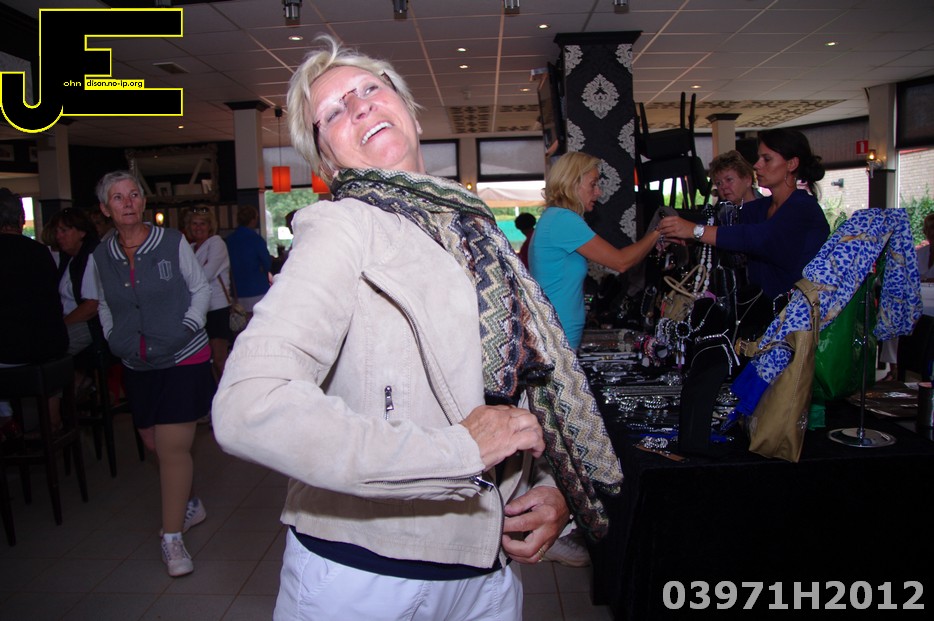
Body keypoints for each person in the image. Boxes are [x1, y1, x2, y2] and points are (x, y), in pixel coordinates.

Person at [212, 35, 622, 620]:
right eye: (334, 111)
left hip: (486, 570)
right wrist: (456, 452)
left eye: (369, 89)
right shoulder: (341, 228)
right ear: (327, 161)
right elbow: (249, 405)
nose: (359, 106)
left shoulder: (475, 230)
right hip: (369, 575)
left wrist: (554, 489)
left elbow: (526, 383)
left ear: (407, 108)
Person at [90, 171, 213, 578]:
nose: (128, 202)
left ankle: (172, 538)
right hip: (136, 361)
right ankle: (190, 503)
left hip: (183, 356)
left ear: (143, 202)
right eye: (118, 197)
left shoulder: (172, 243)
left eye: (134, 195)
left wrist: (188, 327)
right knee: (152, 443)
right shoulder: (100, 256)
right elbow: (104, 303)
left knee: (172, 446)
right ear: (105, 209)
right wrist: (114, 338)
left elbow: (201, 289)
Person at [658, 128, 830, 302]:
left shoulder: (803, 209)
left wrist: (695, 230)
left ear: (791, 164)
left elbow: (756, 237)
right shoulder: (761, 208)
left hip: (797, 312)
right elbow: (726, 225)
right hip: (763, 310)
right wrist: (684, 235)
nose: (757, 165)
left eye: (767, 159)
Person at [529, 151, 661, 351]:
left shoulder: (555, 218)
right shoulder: (563, 220)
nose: (598, 192)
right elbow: (621, 261)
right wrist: (658, 232)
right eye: (593, 184)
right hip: (557, 335)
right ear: (572, 183)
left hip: (557, 333)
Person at [0, 188, 69, 424]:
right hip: (48, 348)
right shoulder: (40, 253)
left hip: (9, 353)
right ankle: (48, 421)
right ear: (21, 219)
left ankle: (7, 421)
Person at [45, 208, 103, 359]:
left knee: (50, 346)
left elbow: (91, 306)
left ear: (81, 232)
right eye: (57, 231)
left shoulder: (92, 257)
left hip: (91, 324)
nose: (58, 236)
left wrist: (60, 325)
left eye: (64, 231)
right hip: (69, 319)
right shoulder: (68, 258)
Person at [186, 205, 232, 382]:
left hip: (217, 307)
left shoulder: (216, 243)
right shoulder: (190, 248)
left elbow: (206, 274)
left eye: (202, 224)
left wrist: (188, 280)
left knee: (220, 359)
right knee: (207, 359)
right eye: (195, 224)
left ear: (210, 226)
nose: (198, 227)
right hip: (199, 309)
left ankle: (229, 393)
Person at [225, 204, 272, 314]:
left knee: (240, 321)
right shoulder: (256, 239)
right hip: (257, 288)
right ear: (253, 220)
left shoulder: (229, 240)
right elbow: (267, 264)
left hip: (237, 290)